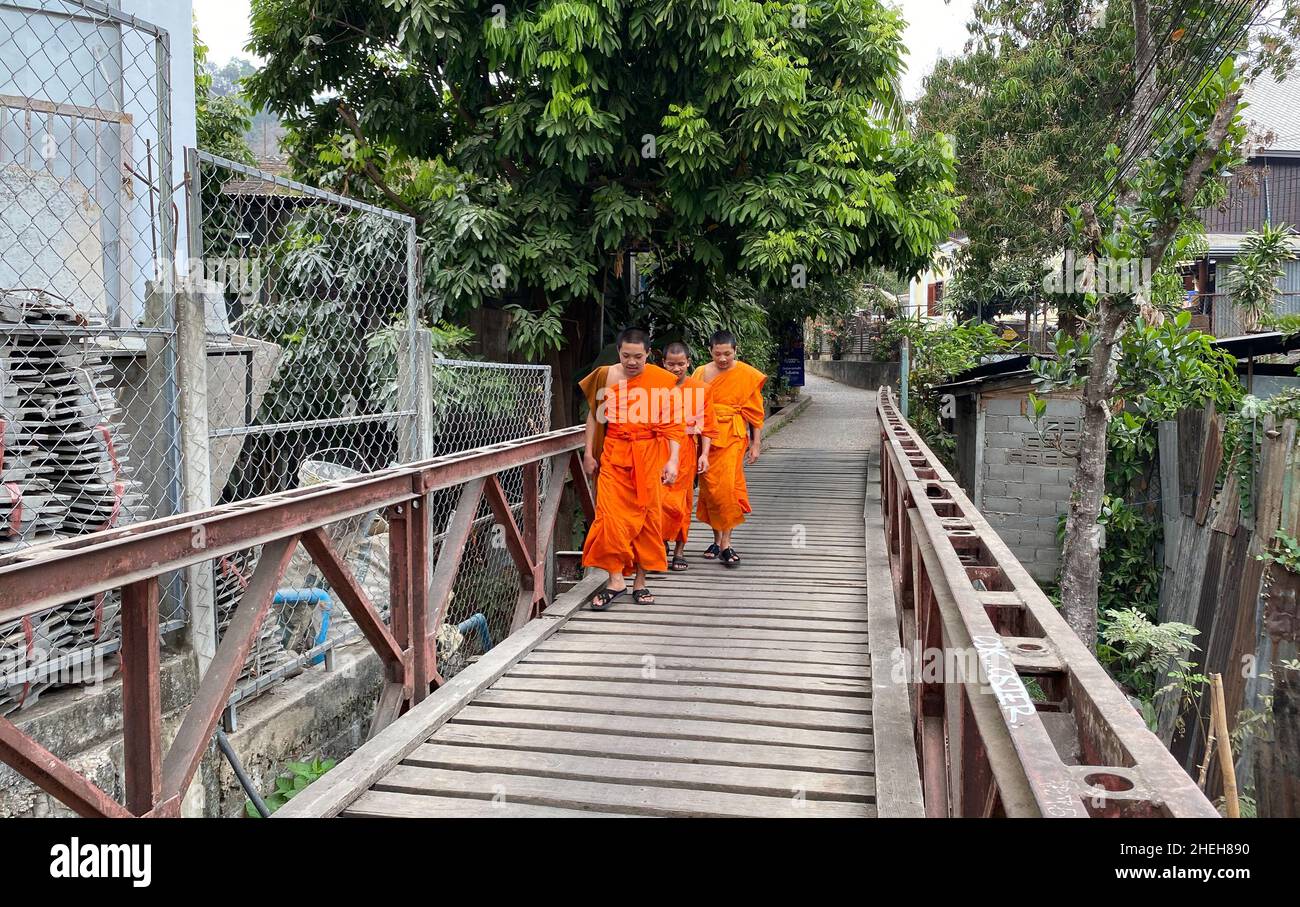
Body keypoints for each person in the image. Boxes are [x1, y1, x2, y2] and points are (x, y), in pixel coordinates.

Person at [579, 328, 685, 609]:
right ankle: (616, 580)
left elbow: (675, 425)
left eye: (638, 357)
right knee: (610, 518)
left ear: (649, 355)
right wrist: (589, 453)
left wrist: (673, 460)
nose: (632, 362)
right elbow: (594, 417)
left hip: (649, 455)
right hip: (614, 455)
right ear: (619, 353)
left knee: (647, 520)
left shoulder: (662, 381)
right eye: (626, 356)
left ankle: (640, 582)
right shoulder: (606, 376)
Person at [693, 330, 765, 567]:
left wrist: (756, 443)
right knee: (710, 490)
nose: (723, 359)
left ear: (736, 351)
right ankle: (716, 539)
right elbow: (691, 406)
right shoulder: (701, 372)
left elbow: (755, 412)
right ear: (710, 352)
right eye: (717, 354)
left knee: (728, 489)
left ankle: (726, 543)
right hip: (705, 438)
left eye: (727, 354)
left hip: (732, 437)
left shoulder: (746, 374)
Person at [659, 341, 714, 572]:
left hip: (687, 450)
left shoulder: (701, 389)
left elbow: (709, 425)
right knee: (659, 501)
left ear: (689, 363)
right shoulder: (655, 388)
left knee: (683, 501)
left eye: (681, 364)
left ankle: (679, 551)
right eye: (671, 364)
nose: (676, 369)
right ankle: (660, 545)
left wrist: (704, 454)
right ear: (663, 363)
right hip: (659, 449)